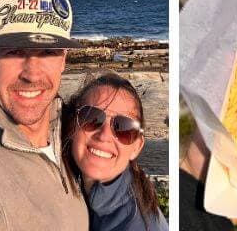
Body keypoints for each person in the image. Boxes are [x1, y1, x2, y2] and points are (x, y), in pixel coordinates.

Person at [0, 0, 89, 229]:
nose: (32, 75)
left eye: (47, 52)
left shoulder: (75, 132)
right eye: (14, 52)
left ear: (63, 59)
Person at [61, 72, 168, 230]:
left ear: (136, 147)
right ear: (72, 127)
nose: (104, 136)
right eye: (91, 118)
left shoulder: (135, 224)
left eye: (124, 127)